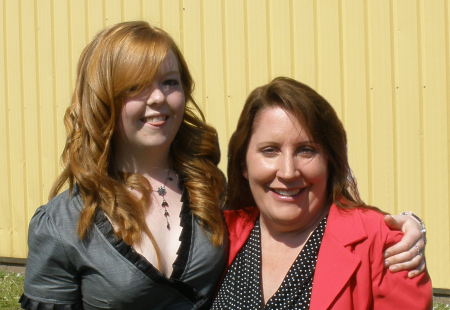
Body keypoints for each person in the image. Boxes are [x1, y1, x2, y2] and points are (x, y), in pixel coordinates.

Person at [20, 22, 425, 310]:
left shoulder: (208, 197)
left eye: (170, 82)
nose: (158, 98)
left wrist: (404, 225)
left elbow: (340, 227)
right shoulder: (63, 223)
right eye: (134, 86)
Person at [212, 77, 432, 309]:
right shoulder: (216, 235)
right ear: (244, 165)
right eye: (270, 150)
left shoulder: (384, 246)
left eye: (306, 150)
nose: (288, 172)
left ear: (329, 161)